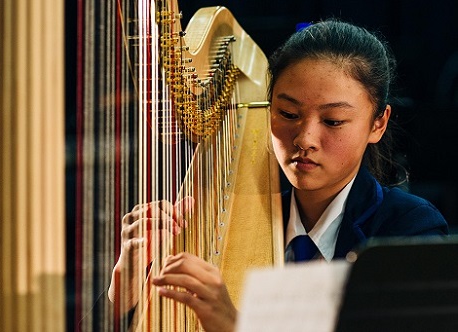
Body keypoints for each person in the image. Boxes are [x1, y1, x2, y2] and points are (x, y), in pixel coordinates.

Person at [108, 18, 449, 331]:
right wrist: (124, 292)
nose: (304, 140)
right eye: (287, 113)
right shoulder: (224, 209)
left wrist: (233, 325)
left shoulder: (408, 229)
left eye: (332, 121)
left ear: (378, 123)